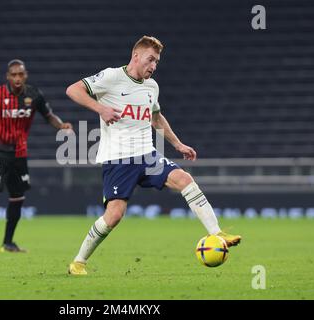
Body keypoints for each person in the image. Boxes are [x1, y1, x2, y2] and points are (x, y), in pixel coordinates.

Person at [65, 36, 241, 275]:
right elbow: (73, 90)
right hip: (119, 159)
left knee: (185, 180)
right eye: (150, 59)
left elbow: (156, 117)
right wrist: (101, 108)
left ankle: (216, 233)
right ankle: (79, 261)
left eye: (157, 61)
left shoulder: (152, 86)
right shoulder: (111, 77)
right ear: (136, 56)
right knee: (114, 216)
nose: (154, 66)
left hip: (147, 155)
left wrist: (177, 144)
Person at [0, 59, 72, 253]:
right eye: (14, 75)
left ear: (25, 75)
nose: (17, 78)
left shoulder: (34, 95)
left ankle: (8, 243)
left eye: (21, 74)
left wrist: (61, 125)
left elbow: (48, 115)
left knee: (17, 197)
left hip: (19, 154)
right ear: (8, 77)